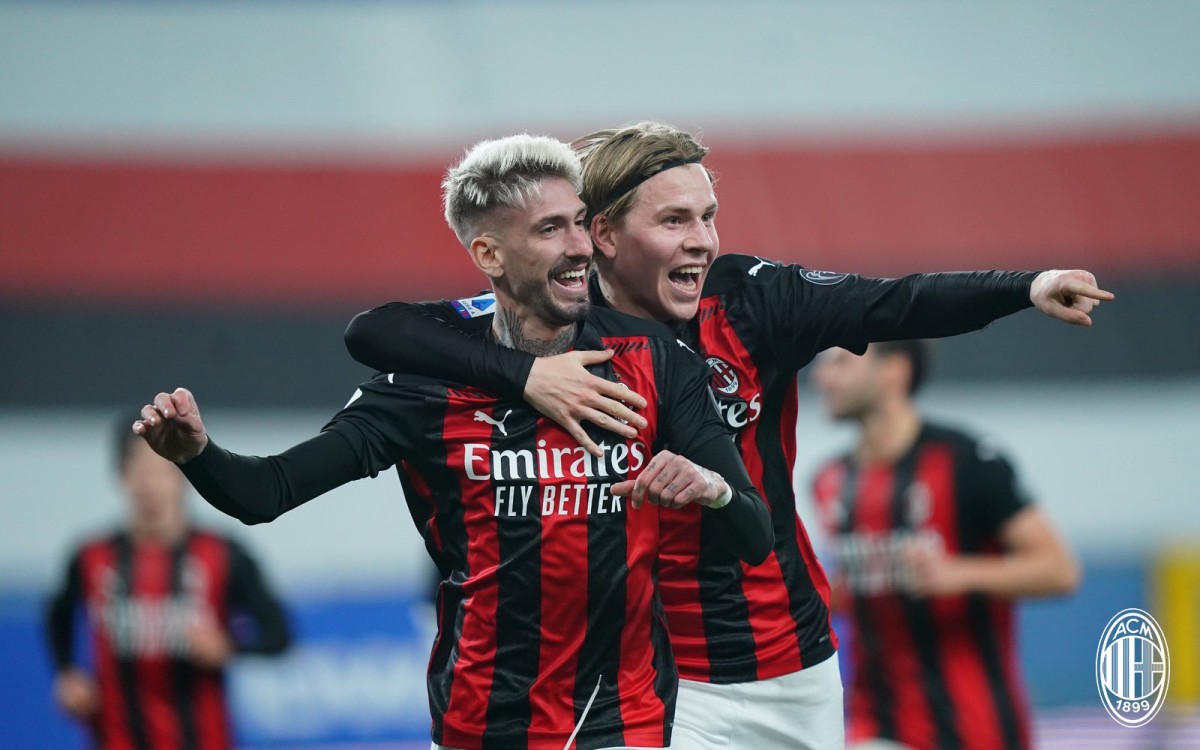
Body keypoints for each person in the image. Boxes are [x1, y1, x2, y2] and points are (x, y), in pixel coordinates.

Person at [340, 121, 1112, 749]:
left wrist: (1027, 287)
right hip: (656, 681)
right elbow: (385, 332)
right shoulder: (550, 330)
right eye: (674, 220)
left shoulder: (750, 300)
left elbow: (895, 303)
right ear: (602, 234)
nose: (703, 241)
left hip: (798, 660)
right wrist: (525, 376)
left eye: (708, 217)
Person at [132, 134, 772, 750]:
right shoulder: (424, 390)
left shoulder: (654, 360)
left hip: (625, 721)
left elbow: (753, 534)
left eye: (580, 222)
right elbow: (266, 491)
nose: (581, 247)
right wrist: (196, 455)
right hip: (479, 724)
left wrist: (713, 491)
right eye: (550, 229)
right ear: (490, 254)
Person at [810, 342, 1080, 750]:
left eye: (841, 362)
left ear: (894, 370)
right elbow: (856, 588)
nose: (822, 378)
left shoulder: (967, 460)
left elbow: (1059, 570)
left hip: (976, 728)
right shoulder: (828, 480)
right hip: (877, 722)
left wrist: (959, 573)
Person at [44, 414, 291, 750]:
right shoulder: (91, 557)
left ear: (183, 475)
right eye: (140, 470)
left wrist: (227, 647)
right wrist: (67, 673)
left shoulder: (222, 554)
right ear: (121, 475)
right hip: (116, 739)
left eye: (162, 469)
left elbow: (279, 634)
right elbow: (57, 615)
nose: (150, 484)